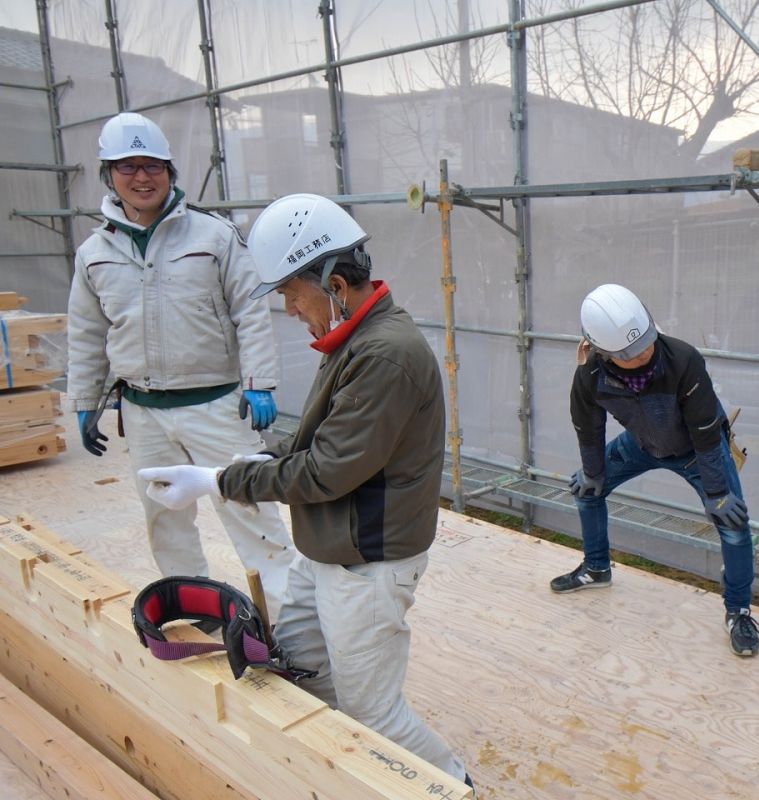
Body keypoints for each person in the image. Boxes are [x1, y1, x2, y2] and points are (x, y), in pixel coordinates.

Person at [136, 194, 472, 787]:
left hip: (368, 562)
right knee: (299, 668)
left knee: (375, 712)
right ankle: (347, 772)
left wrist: (219, 480)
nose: (290, 309)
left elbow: (324, 471)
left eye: (293, 294)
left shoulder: (385, 356)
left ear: (334, 283)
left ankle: (451, 785)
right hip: (330, 551)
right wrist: (261, 458)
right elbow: (323, 437)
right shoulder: (357, 338)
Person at [67, 112, 293, 610]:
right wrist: (85, 401)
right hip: (144, 413)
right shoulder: (94, 253)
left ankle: (293, 628)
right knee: (165, 522)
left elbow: (250, 309)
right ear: (109, 176)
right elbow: (86, 332)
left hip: (216, 407)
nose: (142, 177)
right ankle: (197, 612)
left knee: (251, 515)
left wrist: (259, 383)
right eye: (128, 167)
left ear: (170, 171)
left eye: (153, 166)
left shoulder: (213, 237)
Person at [552, 283, 759, 656]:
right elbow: (588, 427)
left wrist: (716, 493)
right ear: (603, 352)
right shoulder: (589, 376)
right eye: (631, 353)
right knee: (588, 490)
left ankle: (739, 610)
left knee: (733, 523)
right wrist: (593, 472)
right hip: (642, 443)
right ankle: (597, 568)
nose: (645, 352)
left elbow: (705, 431)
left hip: (698, 450)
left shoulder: (683, 359)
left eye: (647, 341)